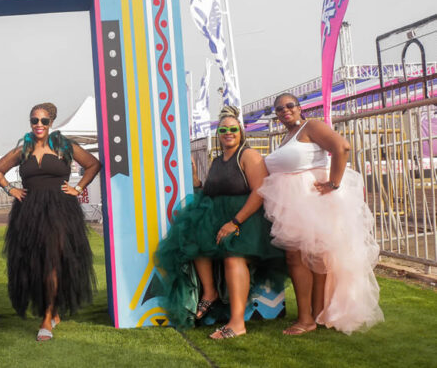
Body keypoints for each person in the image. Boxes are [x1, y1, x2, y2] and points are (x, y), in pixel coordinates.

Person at [156, 106, 287, 339]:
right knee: (193, 239)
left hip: (246, 220)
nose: (228, 133)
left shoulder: (248, 155)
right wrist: (195, 180)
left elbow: (260, 191)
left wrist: (235, 222)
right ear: (218, 133)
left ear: (241, 132)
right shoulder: (217, 161)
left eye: (233, 129)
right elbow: (210, 192)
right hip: (218, 217)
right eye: (223, 130)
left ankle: (237, 323)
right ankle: (210, 292)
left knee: (233, 257)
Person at [258, 93, 383, 335]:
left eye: (289, 105)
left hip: (310, 201)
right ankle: (316, 313)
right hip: (294, 204)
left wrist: (333, 183)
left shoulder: (311, 126)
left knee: (301, 259)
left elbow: (342, 147)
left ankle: (306, 319)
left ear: (299, 107)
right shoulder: (287, 136)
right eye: (279, 109)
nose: (285, 110)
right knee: (310, 259)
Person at [0, 102, 101, 341]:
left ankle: (47, 317)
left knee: (52, 262)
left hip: (60, 211)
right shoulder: (24, 149)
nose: (39, 125)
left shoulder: (64, 146)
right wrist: (10, 189)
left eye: (44, 121)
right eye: (34, 120)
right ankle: (54, 310)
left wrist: (78, 188)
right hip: (29, 213)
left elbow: (93, 164)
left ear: (51, 122)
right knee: (36, 265)